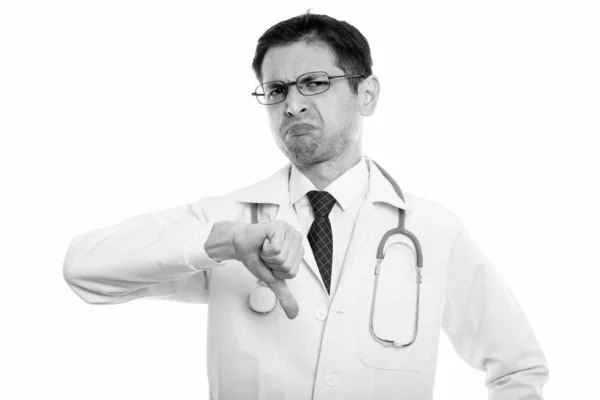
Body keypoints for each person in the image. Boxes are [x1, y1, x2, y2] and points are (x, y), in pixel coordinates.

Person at [63, 12, 549, 400]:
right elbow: (84, 268)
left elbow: (518, 368)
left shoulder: (434, 230)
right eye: (276, 90)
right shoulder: (230, 219)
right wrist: (223, 241)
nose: (292, 104)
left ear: (368, 94)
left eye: (315, 82)